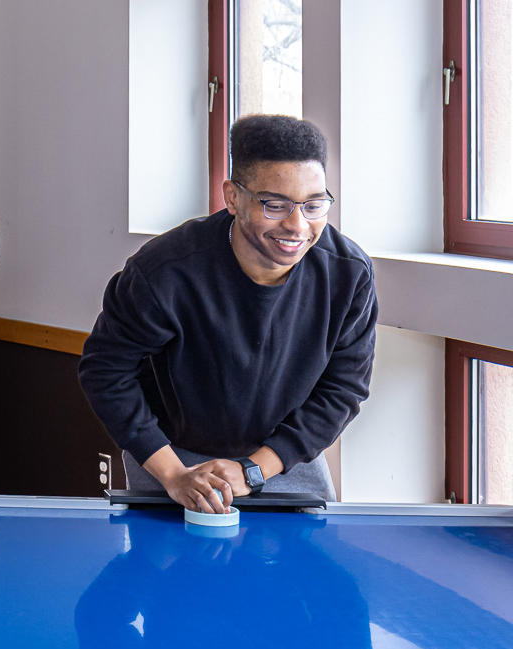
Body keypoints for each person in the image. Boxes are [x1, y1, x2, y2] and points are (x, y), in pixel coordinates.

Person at [78, 114, 377, 513]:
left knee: (305, 572)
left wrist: (254, 470)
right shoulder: (164, 271)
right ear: (233, 197)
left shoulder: (349, 274)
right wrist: (173, 474)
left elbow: (343, 389)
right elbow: (105, 371)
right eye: (275, 205)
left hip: (285, 459)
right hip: (172, 456)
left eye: (313, 204)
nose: (297, 224)